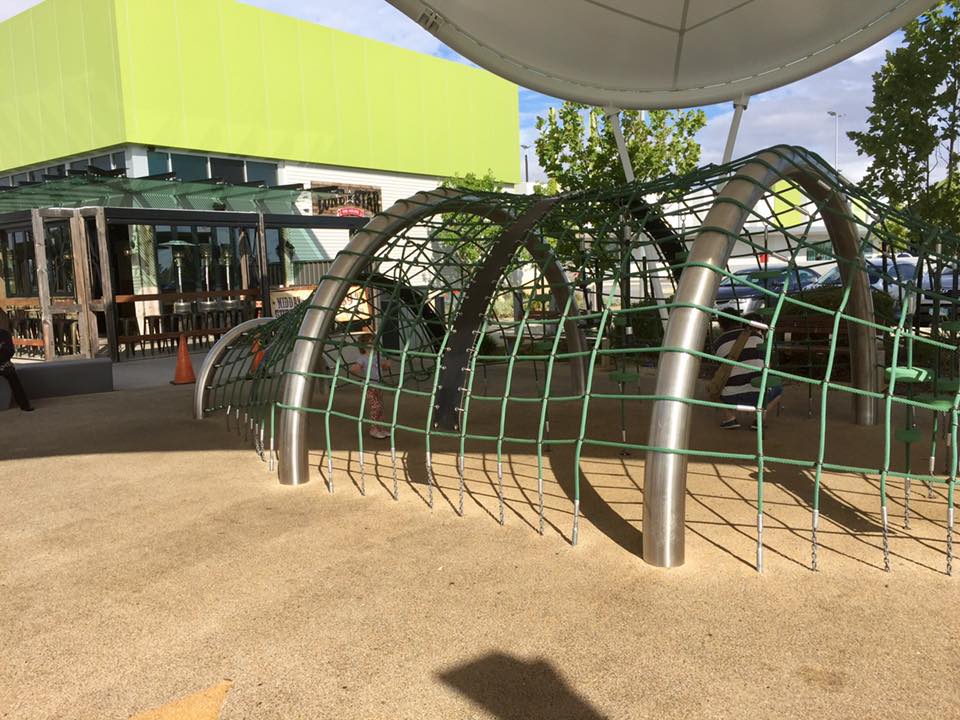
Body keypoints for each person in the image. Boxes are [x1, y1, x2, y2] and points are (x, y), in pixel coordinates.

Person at [713, 310, 780, 429]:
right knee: (778, 389)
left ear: (720, 324)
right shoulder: (756, 336)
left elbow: (721, 370)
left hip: (730, 396)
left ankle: (730, 418)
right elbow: (766, 363)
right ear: (740, 320)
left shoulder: (717, 343)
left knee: (713, 387)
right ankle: (759, 418)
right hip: (759, 394)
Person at [350, 332, 391, 439]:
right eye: (370, 342)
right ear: (363, 345)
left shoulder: (378, 355)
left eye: (374, 342)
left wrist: (387, 364)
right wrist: (356, 369)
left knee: (381, 407)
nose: (373, 344)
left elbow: (384, 367)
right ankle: (373, 429)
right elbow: (354, 368)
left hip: (379, 385)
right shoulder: (362, 358)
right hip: (369, 386)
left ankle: (380, 428)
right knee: (376, 406)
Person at [0, 313, 34, 412]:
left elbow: (10, 351)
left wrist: (2, 361)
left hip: (4, 363)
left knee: (12, 375)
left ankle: (24, 404)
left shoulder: (5, 335)